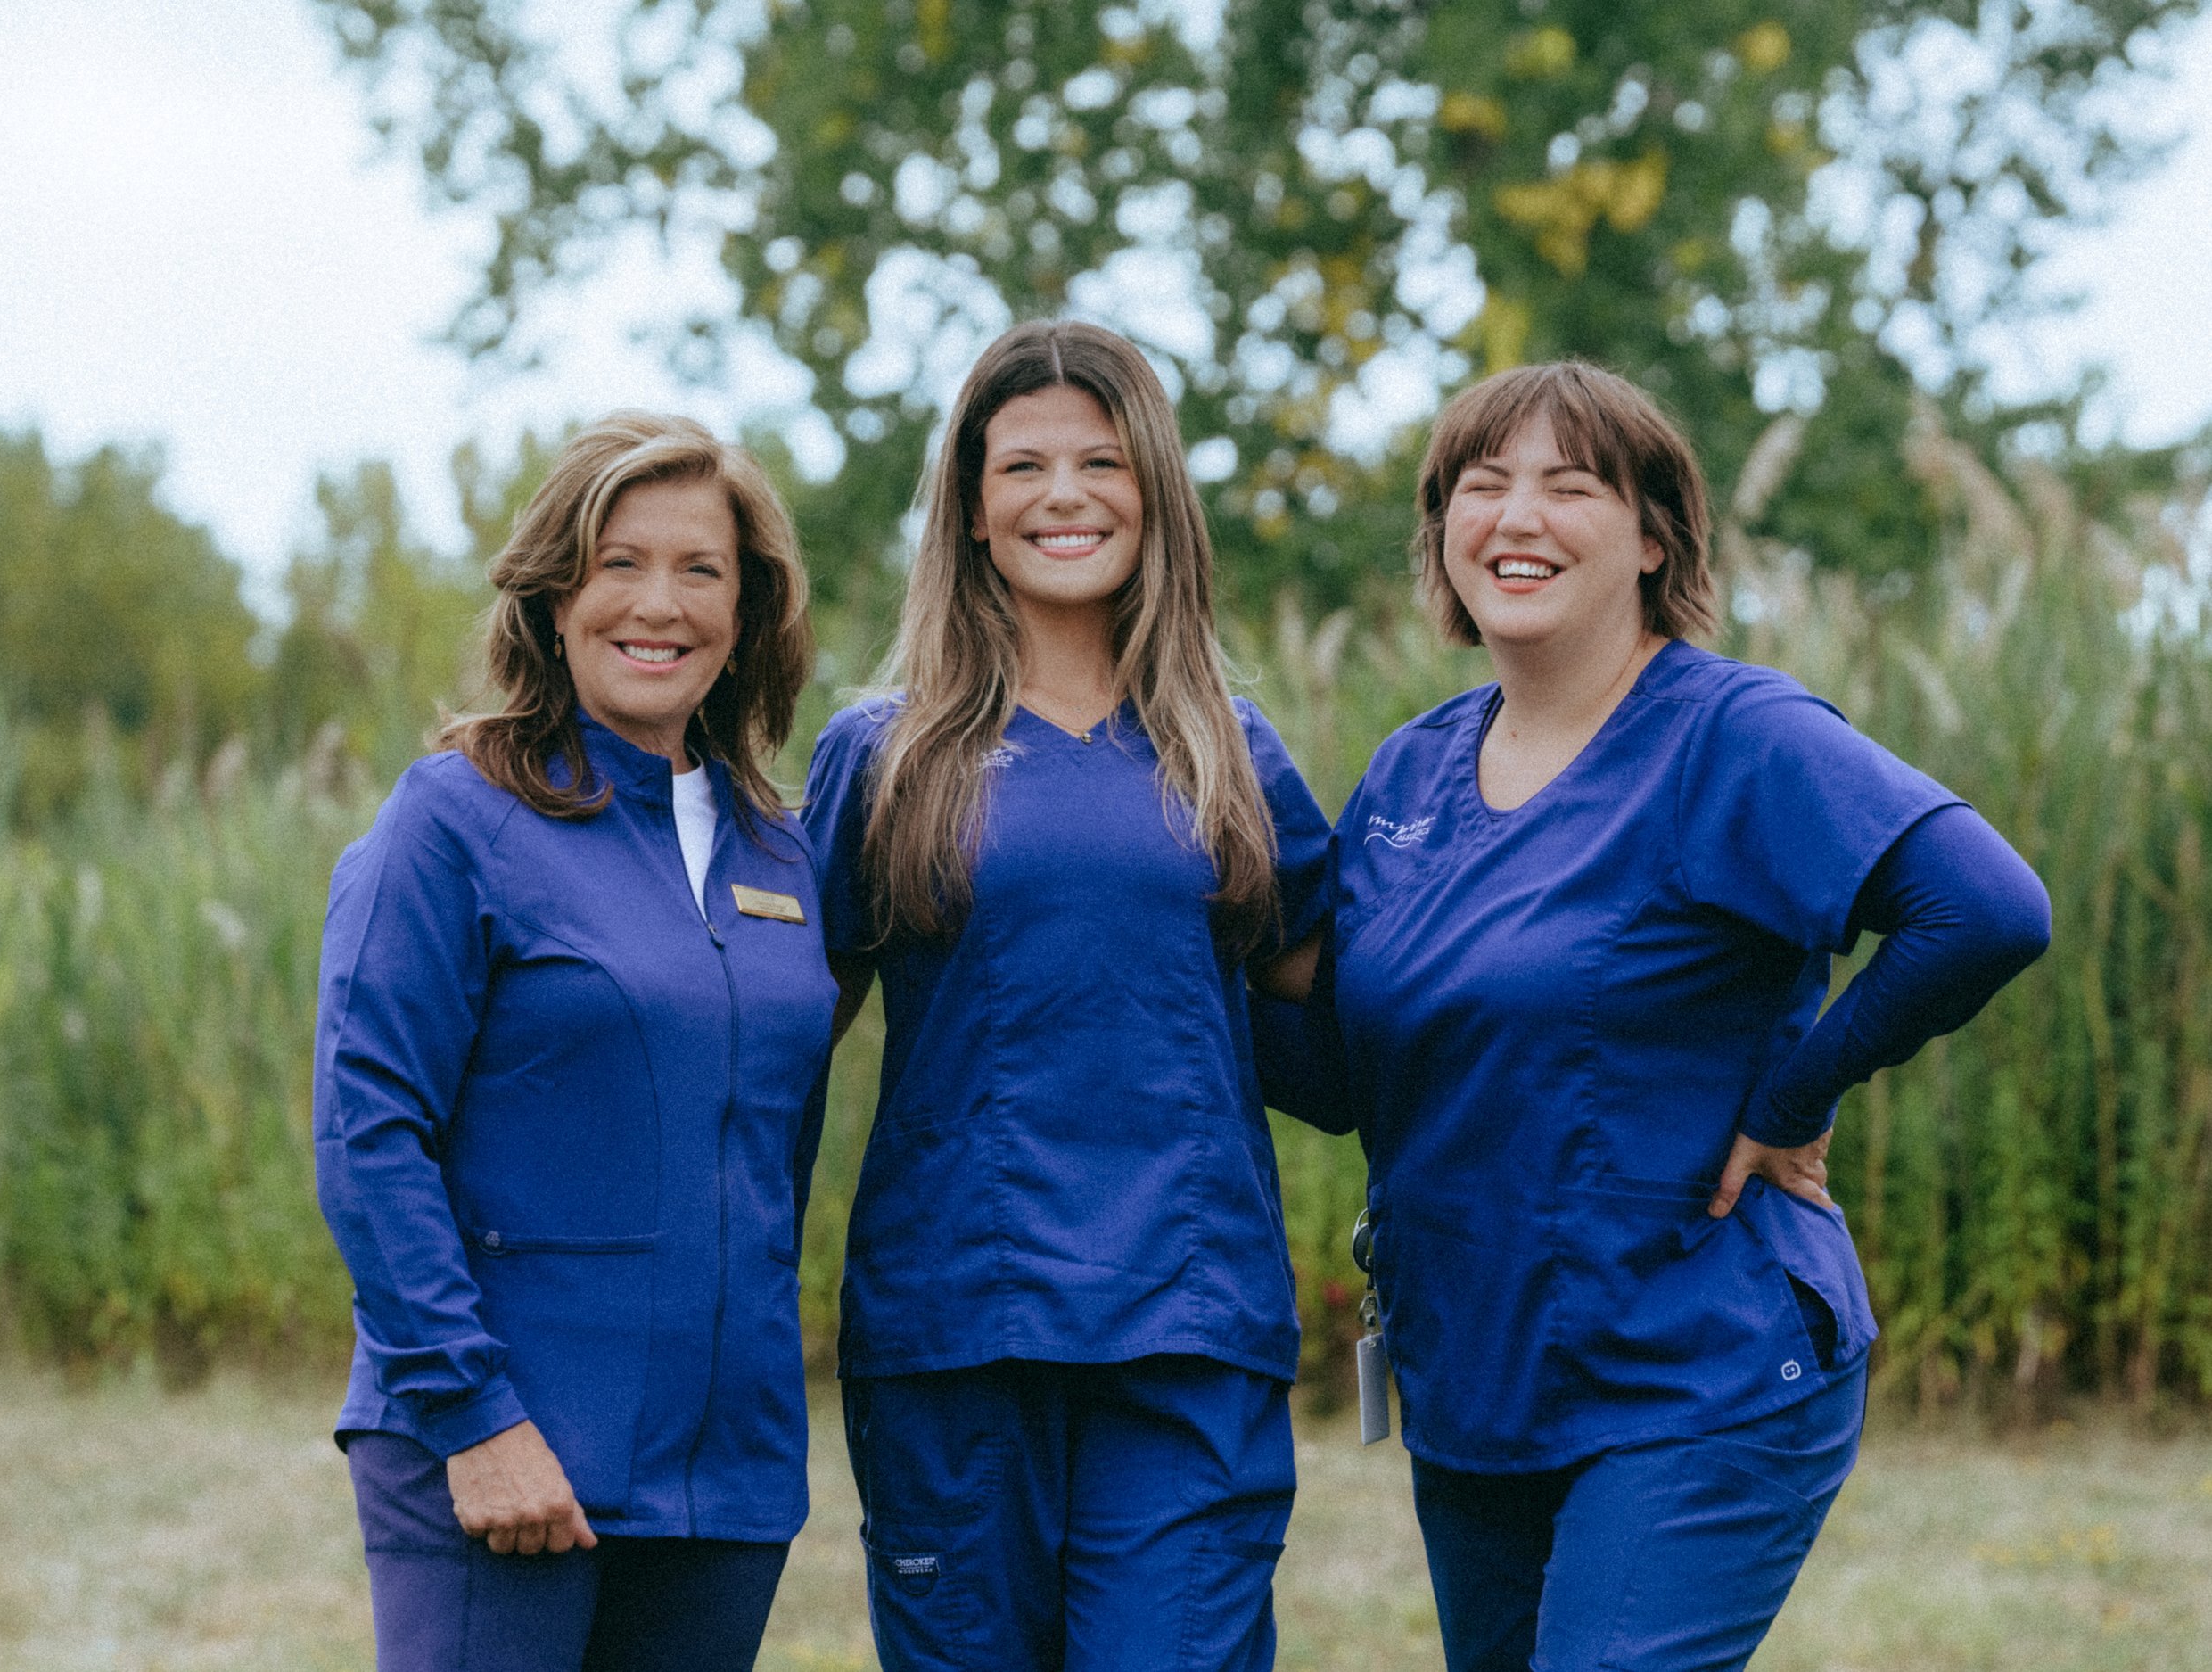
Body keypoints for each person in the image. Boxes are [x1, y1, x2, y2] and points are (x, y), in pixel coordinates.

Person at [1313, 362, 2051, 1672]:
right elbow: (1346, 1068)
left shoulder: (1733, 734)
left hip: (1698, 1367)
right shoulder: (1410, 771)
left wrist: (1793, 1098)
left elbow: (1985, 907)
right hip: (1479, 1383)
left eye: (1569, 486)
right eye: (1481, 488)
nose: (1516, 517)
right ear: (1443, 533)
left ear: (1655, 537)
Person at [802, 320, 1330, 1672]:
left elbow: (1354, 1013)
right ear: (972, 510)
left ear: (1153, 493)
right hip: (953, 1328)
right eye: (1022, 464)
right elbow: (773, 1043)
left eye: (1102, 460)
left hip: (1189, 1325)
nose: (1064, 494)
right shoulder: (884, 756)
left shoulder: (1227, 746)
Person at [312, 412, 835, 1672]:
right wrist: (472, 1415)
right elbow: (367, 1130)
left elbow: (776, 1153)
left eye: (700, 570)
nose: (659, 604)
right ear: (555, 597)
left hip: (728, 1483)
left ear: (747, 610)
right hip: (505, 1456)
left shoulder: (784, 854)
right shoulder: (455, 818)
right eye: (620, 563)